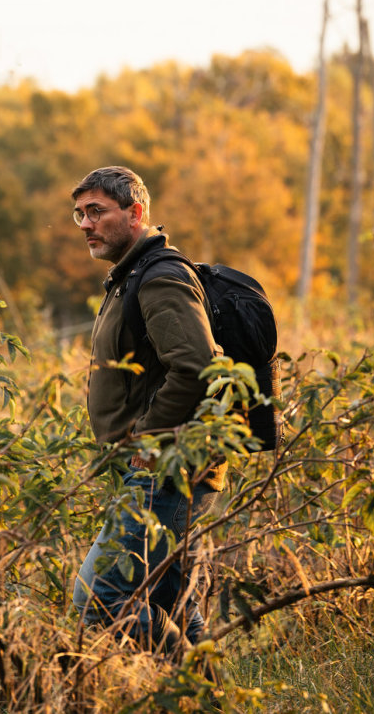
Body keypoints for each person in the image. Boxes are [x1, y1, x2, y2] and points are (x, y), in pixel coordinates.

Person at [71, 165, 227, 652]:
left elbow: (198, 366)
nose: (84, 225)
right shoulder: (130, 276)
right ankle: (210, 700)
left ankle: (188, 684)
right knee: (172, 600)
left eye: (96, 212)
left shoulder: (159, 276)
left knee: (100, 594)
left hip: (166, 465)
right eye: (78, 214)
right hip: (158, 464)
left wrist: (147, 441)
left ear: (135, 212)